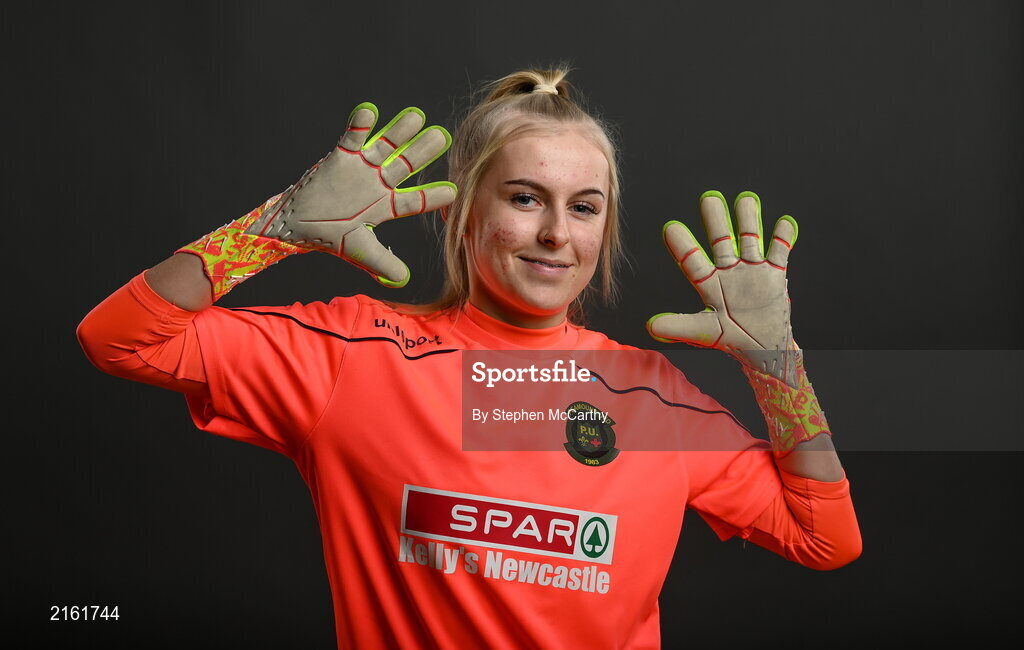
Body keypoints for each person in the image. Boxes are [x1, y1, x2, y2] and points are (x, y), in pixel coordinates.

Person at [77, 67, 861, 648]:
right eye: (525, 198)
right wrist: (275, 225)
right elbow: (118, 337)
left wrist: (775, 359)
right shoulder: (353, 355)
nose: (558, 232)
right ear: (464, 213)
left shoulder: (652, 398)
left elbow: (825, 536)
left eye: (584, 208)